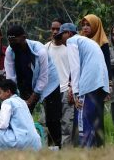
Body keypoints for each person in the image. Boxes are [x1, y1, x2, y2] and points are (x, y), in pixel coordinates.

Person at [4, 25, 62, 148]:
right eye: (9, 41)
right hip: (26, 84)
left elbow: (43, 78)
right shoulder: (10, 51)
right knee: (21, 116)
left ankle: (55, 148)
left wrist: (32, 98)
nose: (12, 44)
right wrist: (15, 98)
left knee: (53, 119)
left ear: (24, 37)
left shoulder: (40, 50)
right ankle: (24, 147)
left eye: (14, 41)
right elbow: (11, 77)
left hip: (49, 83)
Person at [56, 23, 109, 147]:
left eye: (61, 35)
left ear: (68, 33)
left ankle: (85, 151)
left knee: (82, 119)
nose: (60, 40)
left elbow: (75, 68)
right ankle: (93, 151)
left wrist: (75, 93)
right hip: (100, 82)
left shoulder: (71, 41)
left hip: (89, 83)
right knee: (91, 119)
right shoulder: (86, 41)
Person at [0, 79, 42, 151]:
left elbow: (3, 124)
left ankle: (4, 155)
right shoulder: (22, 102)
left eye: (0, 93)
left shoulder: (7, 102)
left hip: (21, 142)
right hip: (35, 143)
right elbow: (11, 118)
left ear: (8, 92)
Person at [45, 18, 74, 146]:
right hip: (50, 91)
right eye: (53, 29)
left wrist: (72, 88)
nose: (55, 31)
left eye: (58, 29)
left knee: (67, 123)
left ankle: (66, 152)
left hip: (66, 90)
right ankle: (53, 150)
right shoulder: (45, 48)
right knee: (51, 122)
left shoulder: (69, 48)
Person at [80, 14, 111, 79]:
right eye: (83, 25)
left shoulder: (102, 43)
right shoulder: (80, 41)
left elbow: (106, 64)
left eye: (88, 25)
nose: (85, 27)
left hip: (98, 80)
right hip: (83, 79)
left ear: (95, 25)